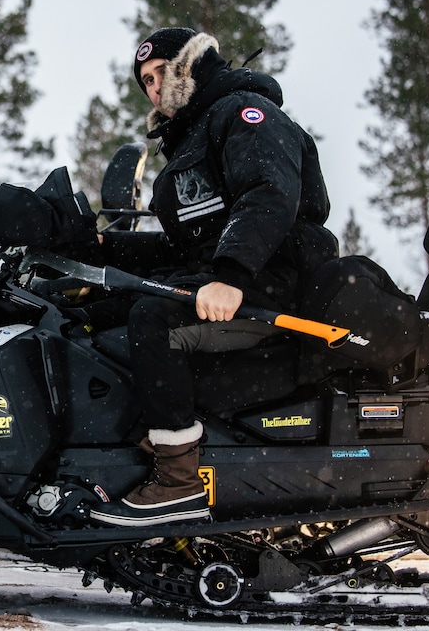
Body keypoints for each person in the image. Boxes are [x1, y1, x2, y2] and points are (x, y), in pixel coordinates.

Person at [90, 28, 336, 527]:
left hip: (273, 283)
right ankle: (120, 445)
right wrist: (103, 252)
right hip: (230, 278)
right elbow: (187, 246)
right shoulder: (193, 137)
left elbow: (269, 193)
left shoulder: (244, 113)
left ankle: (178, 478)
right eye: (145, 83)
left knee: (153, 320)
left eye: (160, 74)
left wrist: (231, 275)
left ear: (189, 67)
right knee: (95, 313)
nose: (154, 90)